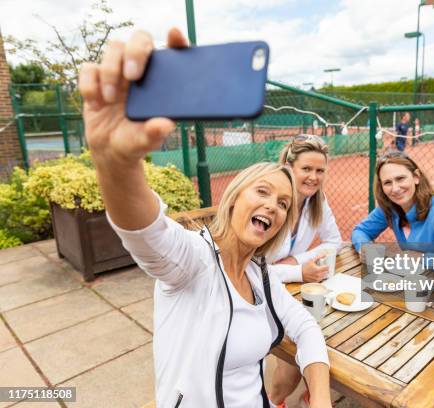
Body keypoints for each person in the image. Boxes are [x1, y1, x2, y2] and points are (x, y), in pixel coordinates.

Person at [78, 27, 332, 408]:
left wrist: (323, 397)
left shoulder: (258, 275)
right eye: (262, 192)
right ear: (232, 200)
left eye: (284, 204)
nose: (274, 207)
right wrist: (116, 162)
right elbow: (146, 233)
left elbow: (306, 327)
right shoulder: (193, 262)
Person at [267, 134, 342, 407]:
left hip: (292, 287)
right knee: (298, 348)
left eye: (320, 170)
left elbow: (335, 242)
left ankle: (312, 393)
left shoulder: (317, 201)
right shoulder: (271, 203)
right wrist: (298, 272)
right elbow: (249, 270)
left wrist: (295, 261)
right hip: (259, 294)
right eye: (306, 169)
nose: (313, 176)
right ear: (289, 166)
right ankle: (277, 400)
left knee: (332, 325)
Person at [351, 151, 434, 269]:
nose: (395, 189)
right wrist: (365, 248)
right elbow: (360, 231)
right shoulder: (390, 207)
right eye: (387, 183)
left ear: (416, 177)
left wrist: (420, 258)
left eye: (400, 178)